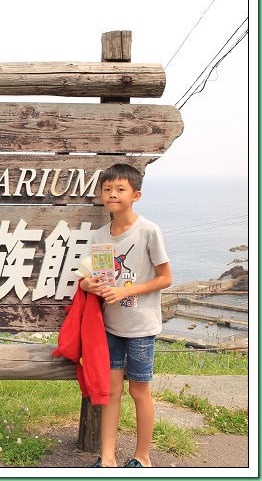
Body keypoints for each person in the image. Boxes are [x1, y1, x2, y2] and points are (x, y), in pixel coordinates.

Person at [80, 164, 172, 468]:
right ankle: (107, 456)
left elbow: (165, 278)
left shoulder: (148, 231)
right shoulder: (99, 236)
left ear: (136, 195)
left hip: (142, 327)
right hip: (111, 325)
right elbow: (89, 278)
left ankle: (142, 456)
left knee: (139, 391)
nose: (112, 194)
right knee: (112, 390)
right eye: (107, 189)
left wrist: (125, 292)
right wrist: (88, 284)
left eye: (120, 189)